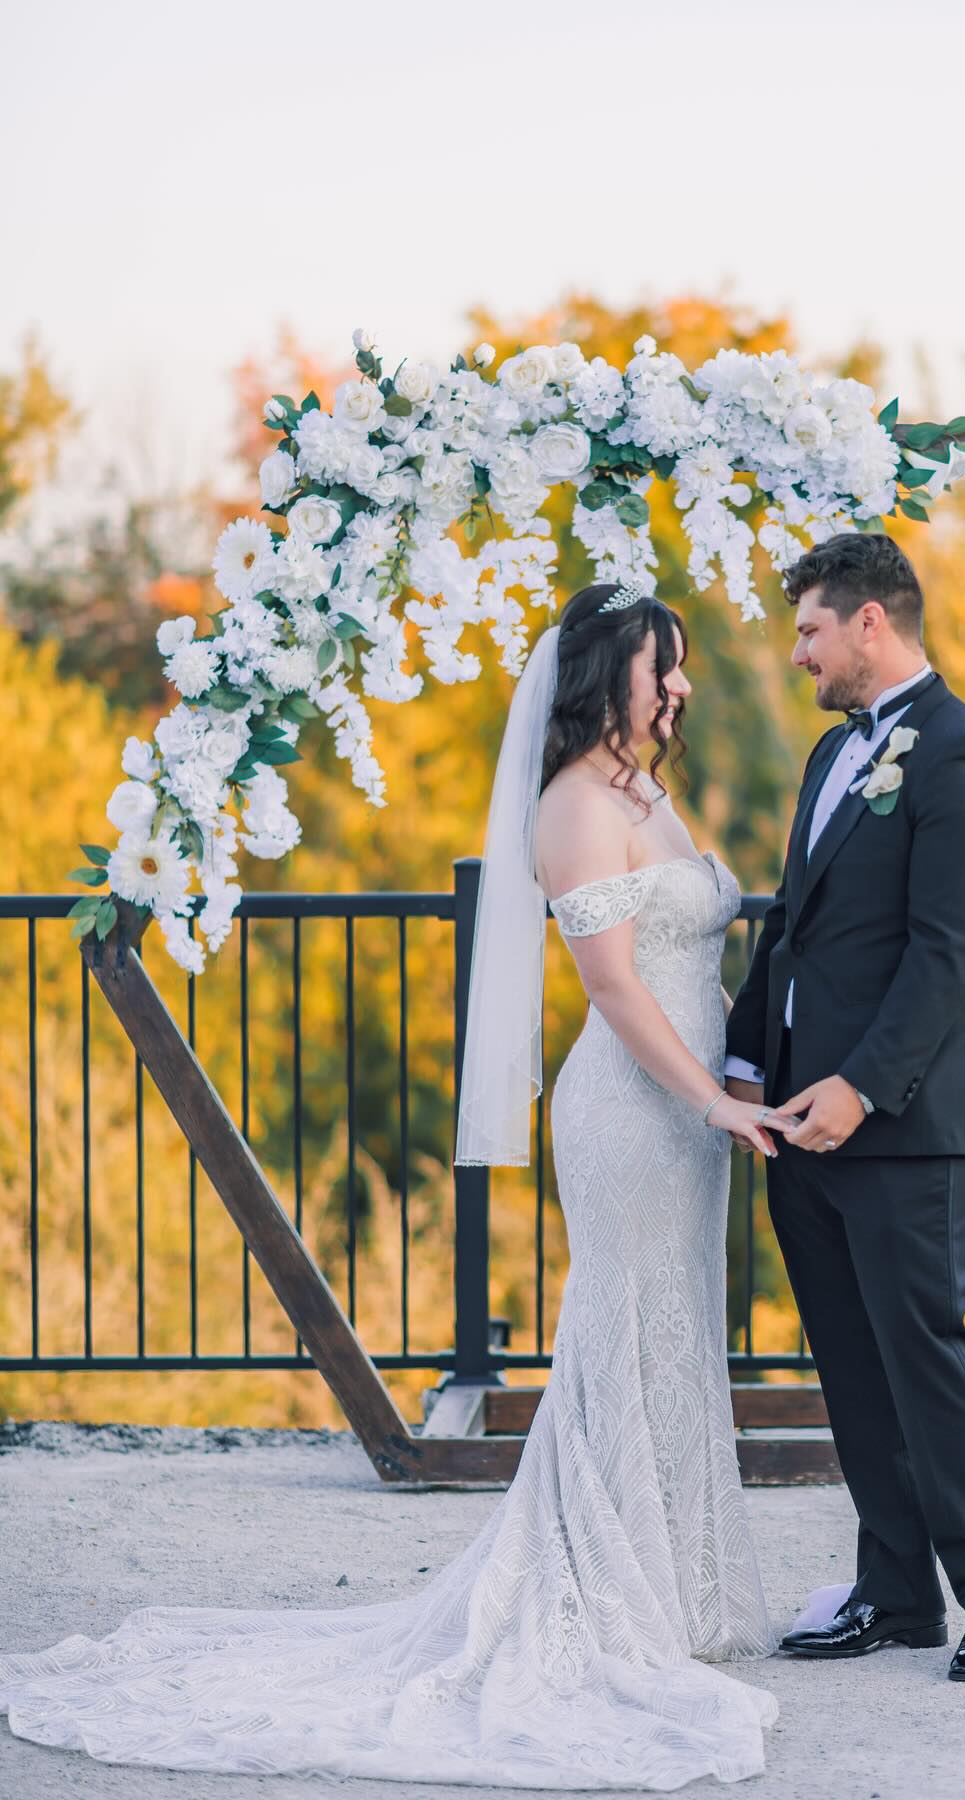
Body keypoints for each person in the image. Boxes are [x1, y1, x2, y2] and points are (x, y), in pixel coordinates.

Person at [0, 579, 789, 1789]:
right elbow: (619, 991)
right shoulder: (577, 807)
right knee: (623, 1329)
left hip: (689, 1109)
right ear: (603, 680)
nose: (679, 685)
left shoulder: (646, 791)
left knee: (673, 1337)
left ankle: (670, 1589)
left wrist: (734, 1077)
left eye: (678, 665)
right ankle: (600, 1593)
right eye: (659, 666)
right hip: (636, 1111)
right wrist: (714, 1098)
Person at [723, 531, 965, 1682]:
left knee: (930, 1361)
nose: (798, 652)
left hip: (905, 1125)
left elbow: (947, 958)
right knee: (850, 1366)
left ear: (871, 621)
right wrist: (748, 1062)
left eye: (810, 628)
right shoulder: (828, 758)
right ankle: (897, 1596)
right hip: (799, 1125)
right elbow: (792, 923)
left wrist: (860, 1088)